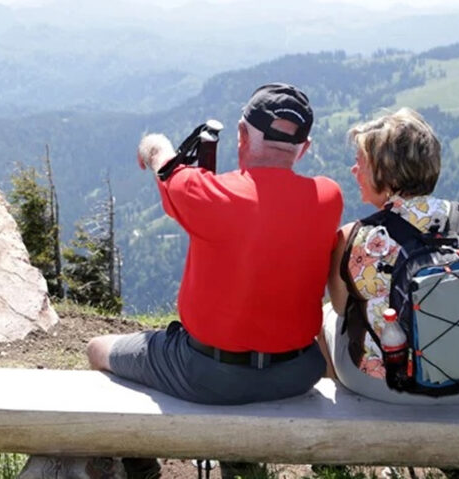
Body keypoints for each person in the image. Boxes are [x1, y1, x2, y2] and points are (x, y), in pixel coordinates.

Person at [86, 83, 342, 478]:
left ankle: (140, 464)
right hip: (297, 372)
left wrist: (153, 144)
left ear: (241, 134)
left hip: (205, 373)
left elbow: (162, 160)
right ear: (303, 148)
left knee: (97, 349)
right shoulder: (329, 197)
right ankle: (240, 462)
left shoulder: (206, 194)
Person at [320, 108, 459, 405]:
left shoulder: (357, 238)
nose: (353, 171)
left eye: (361, 163)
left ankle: (345, 416)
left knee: (327, 315)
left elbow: (344, 310)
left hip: (390, 387)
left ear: (386, 173)